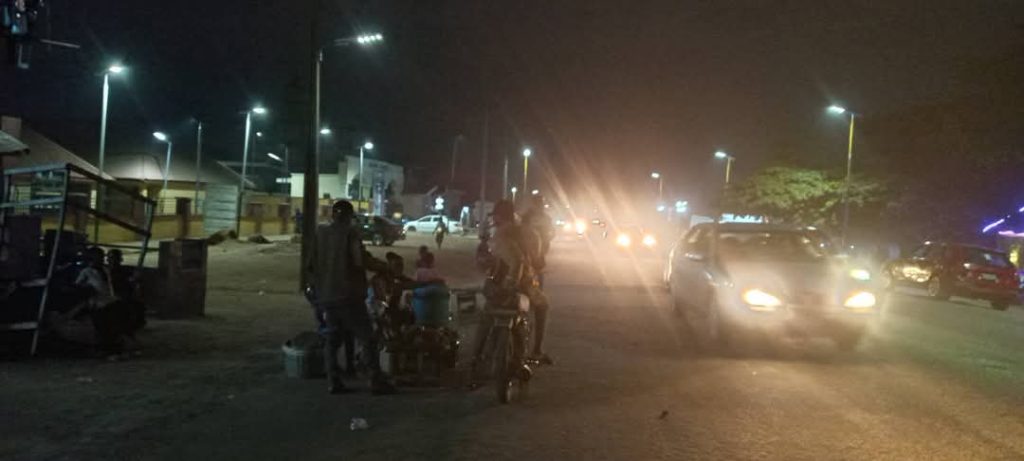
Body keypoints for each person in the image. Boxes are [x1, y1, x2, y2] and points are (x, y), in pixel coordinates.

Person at [306, 199, 396, 395]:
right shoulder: (350, 233)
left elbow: (311, 264)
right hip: (349, 296)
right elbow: (360, 260)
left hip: (327, 296)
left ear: (333, 215)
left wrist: (317, 291)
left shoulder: (320, 233)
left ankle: (333, 381)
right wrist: (385, 267)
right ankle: (376, 381)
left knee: (332, 339)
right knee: (367, 337)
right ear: (349, 216)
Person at [473, 199, 553, 367]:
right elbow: (536, 261)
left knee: (487, 313)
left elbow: (484, 262)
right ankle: (537, 349)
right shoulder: (530, 233)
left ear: (498, 216)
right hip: (523, 285)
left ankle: (476, 354)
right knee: (542, 305)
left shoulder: (497, 234)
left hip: (497, 285)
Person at [75, 247, 125, 360]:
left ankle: (113, 349)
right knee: (103, 328)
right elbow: (78, 286)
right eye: (98, 257)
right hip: (97, 304)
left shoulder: (105, 270)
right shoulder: (87, 272)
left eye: (102, 257)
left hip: (110, 301)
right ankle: (106, 350)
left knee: (112, 327)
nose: (101, 259)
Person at [521, 194, 556, 286]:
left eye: (540, 204)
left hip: (540, 247)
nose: (539, 206)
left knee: (538, 268)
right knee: (527, 266)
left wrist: (547, 239)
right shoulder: (527, 217)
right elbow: (521, 230)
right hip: (528, 246)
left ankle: (537, 286)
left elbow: (552, 231)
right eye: (538, 204)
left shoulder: (545, 217)